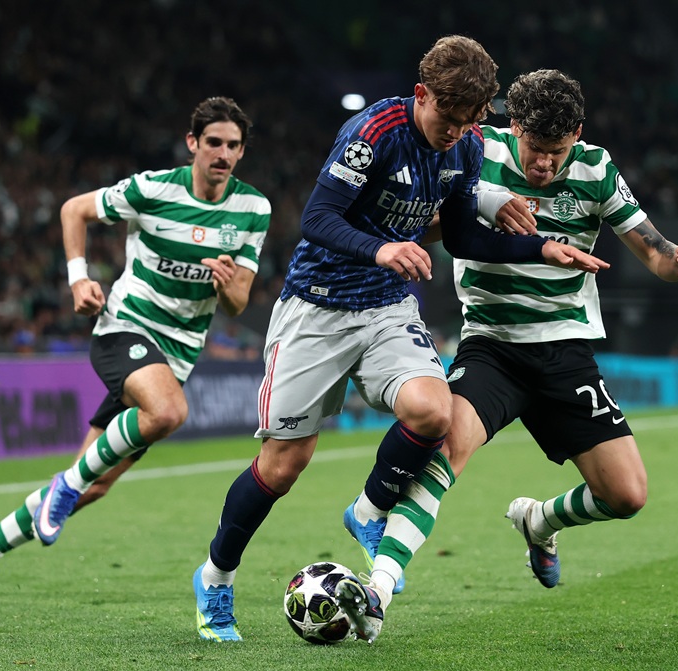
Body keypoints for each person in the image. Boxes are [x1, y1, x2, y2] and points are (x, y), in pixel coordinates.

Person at [190, 39, 608, 643]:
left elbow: (464, 238)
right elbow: (318, 218)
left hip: (386, 309)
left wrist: (539, 248)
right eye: (448, 117)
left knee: (434, 410)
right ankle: (216, 577)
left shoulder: (462, 145)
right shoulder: (374, 132)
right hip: (316, 310)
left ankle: (368, 510)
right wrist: (382, 247)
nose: (457, 132)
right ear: (422, 94)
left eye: (470, 122)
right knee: (283, 467)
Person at [357, 68, 678, 637]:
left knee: (626, 495)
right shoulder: (475, 150)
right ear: (511, 124)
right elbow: (422, 225)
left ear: (577, 134)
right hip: (492, 345)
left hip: (565, 350)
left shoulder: (596, 169)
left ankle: (539, 520)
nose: (544, 164)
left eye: (557, 151)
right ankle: (377, 589)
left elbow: (657, 255)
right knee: (446, 451)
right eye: (534, 148)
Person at [0, 96, 271, 598]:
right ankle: (62, 488)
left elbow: (236, 304)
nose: (223, 154)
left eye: (233, 146)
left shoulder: (253, 208)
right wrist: (79, 280)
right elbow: (73, 209)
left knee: (94, 483)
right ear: (193, 143)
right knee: (167, 412)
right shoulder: (152, 189)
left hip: (179, 352)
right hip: (127, 327)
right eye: (214, 142)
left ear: (242, 152)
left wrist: (227, 282)